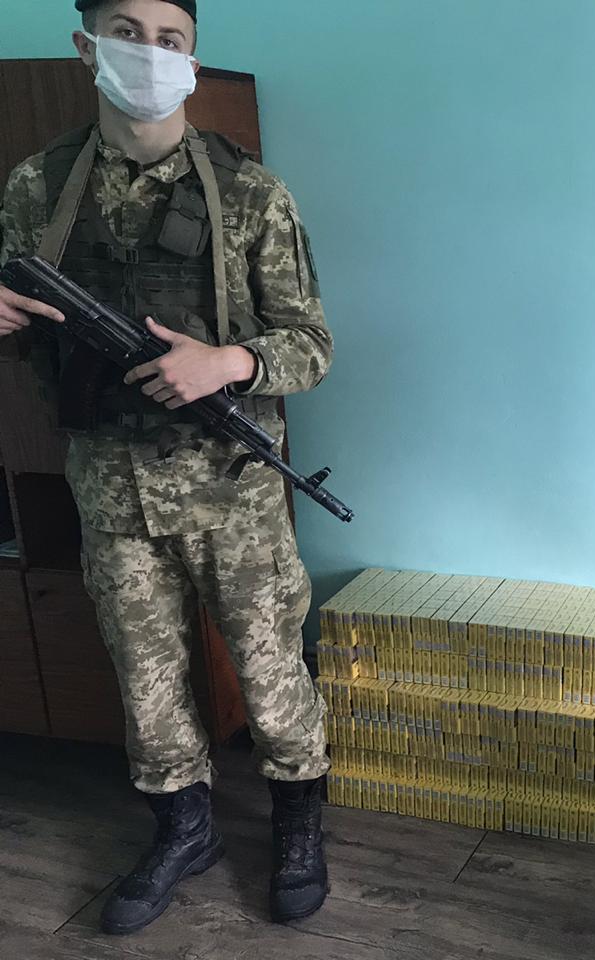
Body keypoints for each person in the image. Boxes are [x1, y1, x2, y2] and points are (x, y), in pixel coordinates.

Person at [0, 0, 334, 935]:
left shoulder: (251, 193)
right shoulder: (37, 187)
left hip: (232, 490)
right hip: (110, 489)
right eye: (126, 33)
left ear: (192, 59)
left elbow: (311, 344)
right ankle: (185, 831)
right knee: (144, 682)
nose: (149, 54)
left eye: (170, 39)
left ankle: (299, 824)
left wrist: (226, 363)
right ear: (86, 47)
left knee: (270, 668)